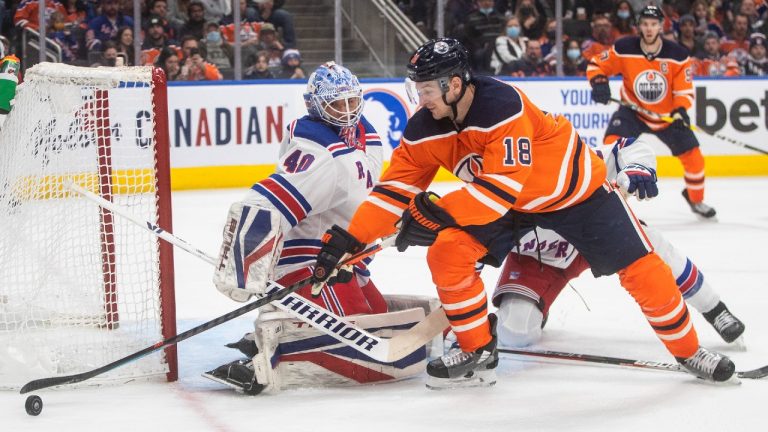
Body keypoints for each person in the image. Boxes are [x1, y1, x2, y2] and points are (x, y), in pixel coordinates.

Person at [310, 37, 737, 389]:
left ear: (454, 84)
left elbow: (498, 191)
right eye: (416, 89)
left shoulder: (503, 105)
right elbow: (393, 191)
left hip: (575, 194)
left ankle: (689, 351)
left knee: (645, 270)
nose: (418, 99)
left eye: (425, 90)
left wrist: (439, 213)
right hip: (509, 206)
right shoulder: (426, 126)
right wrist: (352, 240)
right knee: (447, 253)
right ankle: (478, 347)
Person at [203, 62, 433, 394]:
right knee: (365, 351)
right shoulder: (319, 150)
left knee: (377, 319)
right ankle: (267, 356)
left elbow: (364, 198)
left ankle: (279, 329)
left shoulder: (365, 134)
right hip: (308, 264)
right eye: (336, 104)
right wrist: (240, 270)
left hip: (341, 259)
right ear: (316, 105)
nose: (347, 111)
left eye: (352, 101)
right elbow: (265, 202)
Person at [489, 135, 746, 348]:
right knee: (515, 333)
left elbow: (630, 147)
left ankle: (715, 309)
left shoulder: (578, 162)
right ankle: (533, 306)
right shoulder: (494, 192)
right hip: (540, 260)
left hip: (597, 233)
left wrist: (638, 169)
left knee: (654, 248)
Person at [587, 5, 717, 219]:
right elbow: (596, 64)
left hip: (666, 116)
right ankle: (608, 201)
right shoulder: (624, 47)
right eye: (645, 24)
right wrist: (599, 81)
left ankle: (696, 199)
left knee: (694, 157)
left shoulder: (677, 54)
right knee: (611, 147)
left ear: (661, 26)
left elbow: (684, 90)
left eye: (653, 24)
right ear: (639, 26)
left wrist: (680, 109)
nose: (649, 29)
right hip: (632, 111)